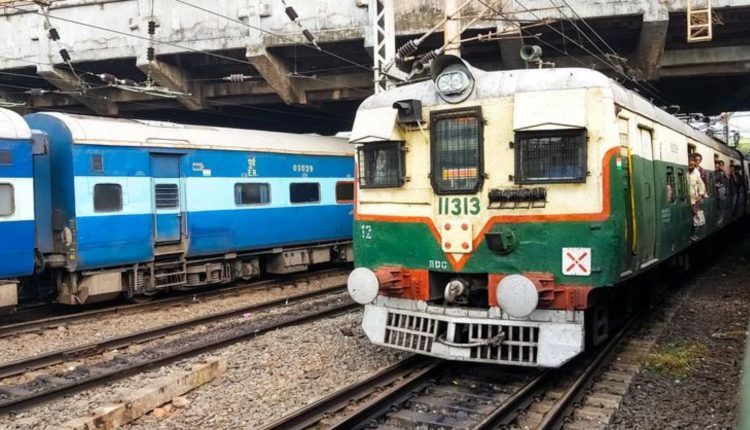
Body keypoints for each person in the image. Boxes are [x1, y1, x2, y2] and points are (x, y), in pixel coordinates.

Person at [688, 155, 706, 241]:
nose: (692, 167)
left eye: (693, 165)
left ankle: (694, 233)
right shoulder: (686, 172)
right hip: (688, 198)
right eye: (690, 165)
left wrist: (700, 195)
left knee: (695, 216)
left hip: (694, 199)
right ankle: (692, 234)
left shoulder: (696, 172)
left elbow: (702, 184)